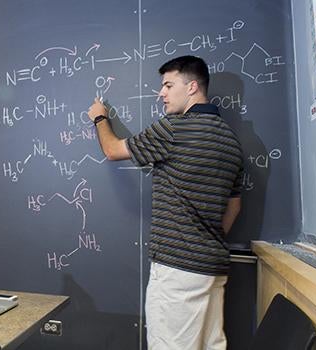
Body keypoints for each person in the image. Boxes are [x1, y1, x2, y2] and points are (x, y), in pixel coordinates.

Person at [87, 55, 244, 350]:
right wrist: (205, 240)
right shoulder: (231, 141)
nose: (162, 94)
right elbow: (234, 207)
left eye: (169, 85)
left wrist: (99, 116)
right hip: (213, 268)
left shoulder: (175, 129)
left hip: (177, 272)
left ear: (193, 87)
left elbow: (112, 150)